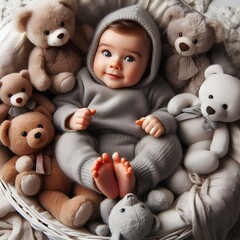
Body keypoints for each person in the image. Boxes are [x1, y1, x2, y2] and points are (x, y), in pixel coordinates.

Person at [53, 5, 182, 199]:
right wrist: (72, 117)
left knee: (169, 143)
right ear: (94, 50)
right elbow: (60, 106)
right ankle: (94, 175)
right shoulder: (83, 79)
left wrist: (159, 120)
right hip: (92, 144)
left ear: (149, 64)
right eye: (106, 53)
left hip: (139, 150)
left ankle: (136, 178)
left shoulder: (153, 87)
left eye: (129, 58)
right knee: (67, 142)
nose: (115, 64)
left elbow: (170, 111)